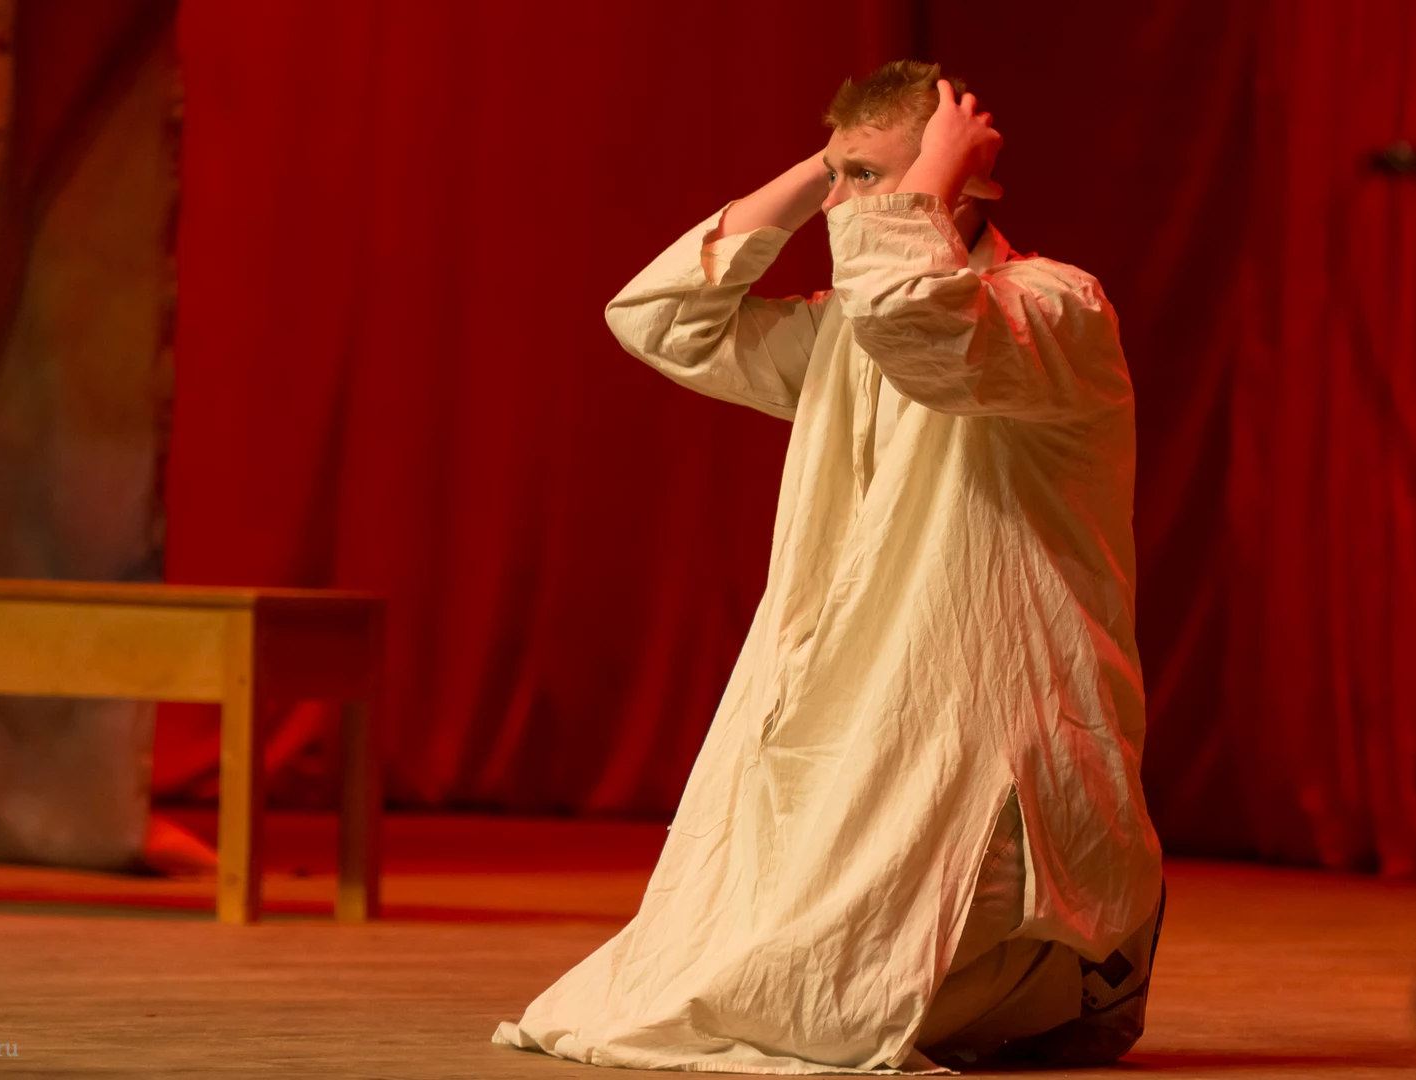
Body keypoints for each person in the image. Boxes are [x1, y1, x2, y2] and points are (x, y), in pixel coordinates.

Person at [493, 60, 1165, 1073]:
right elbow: (657, 319)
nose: (849, 208)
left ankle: (1066, 982)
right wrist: (826, 168)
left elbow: (921, 323)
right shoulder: (843, 330)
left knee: (830, 997)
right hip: (862, 709)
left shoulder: (1054, 308)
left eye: (874, 179)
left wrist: (926, 177)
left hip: (990, 720)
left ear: (970, 180)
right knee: (724, 980)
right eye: (842, 179)